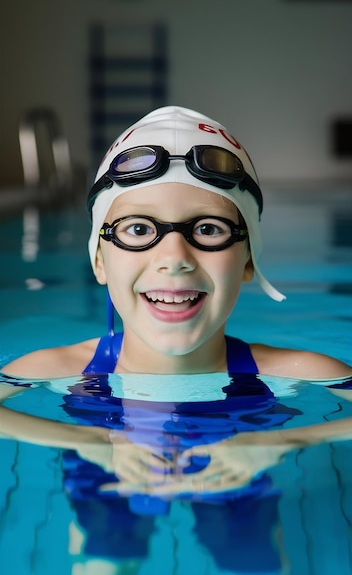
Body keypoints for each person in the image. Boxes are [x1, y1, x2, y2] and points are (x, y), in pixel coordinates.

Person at [1, 105, 351, 380]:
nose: (174, 257)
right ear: (99, 260)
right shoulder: (44, 371)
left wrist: (276, 445)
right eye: (138, 230)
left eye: (209, 229)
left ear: (248, 260)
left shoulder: (307, 374)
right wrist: (89, 443)